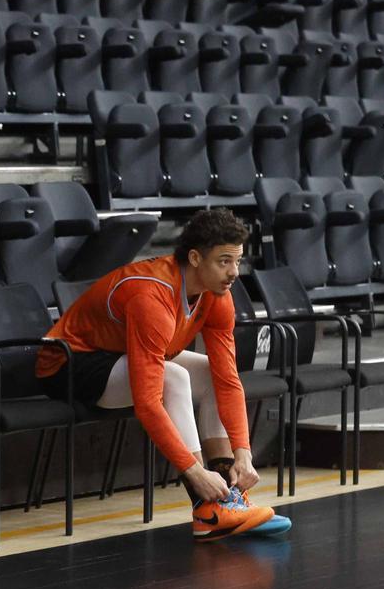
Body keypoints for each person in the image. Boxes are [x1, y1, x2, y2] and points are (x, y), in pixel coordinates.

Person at [36, 208, 291, 541]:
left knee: (211, 374)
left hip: (121, 354)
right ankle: (207, 503)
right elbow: (147, 402)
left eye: (238, 261)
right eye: (224, 261)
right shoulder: (151, 295)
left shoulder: (217, 297)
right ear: (196, 258)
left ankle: (227, 498)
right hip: (68, 364)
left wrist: (243, 451)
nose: (234, 273)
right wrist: (192, 471)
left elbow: (227, 378)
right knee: (175, 378)